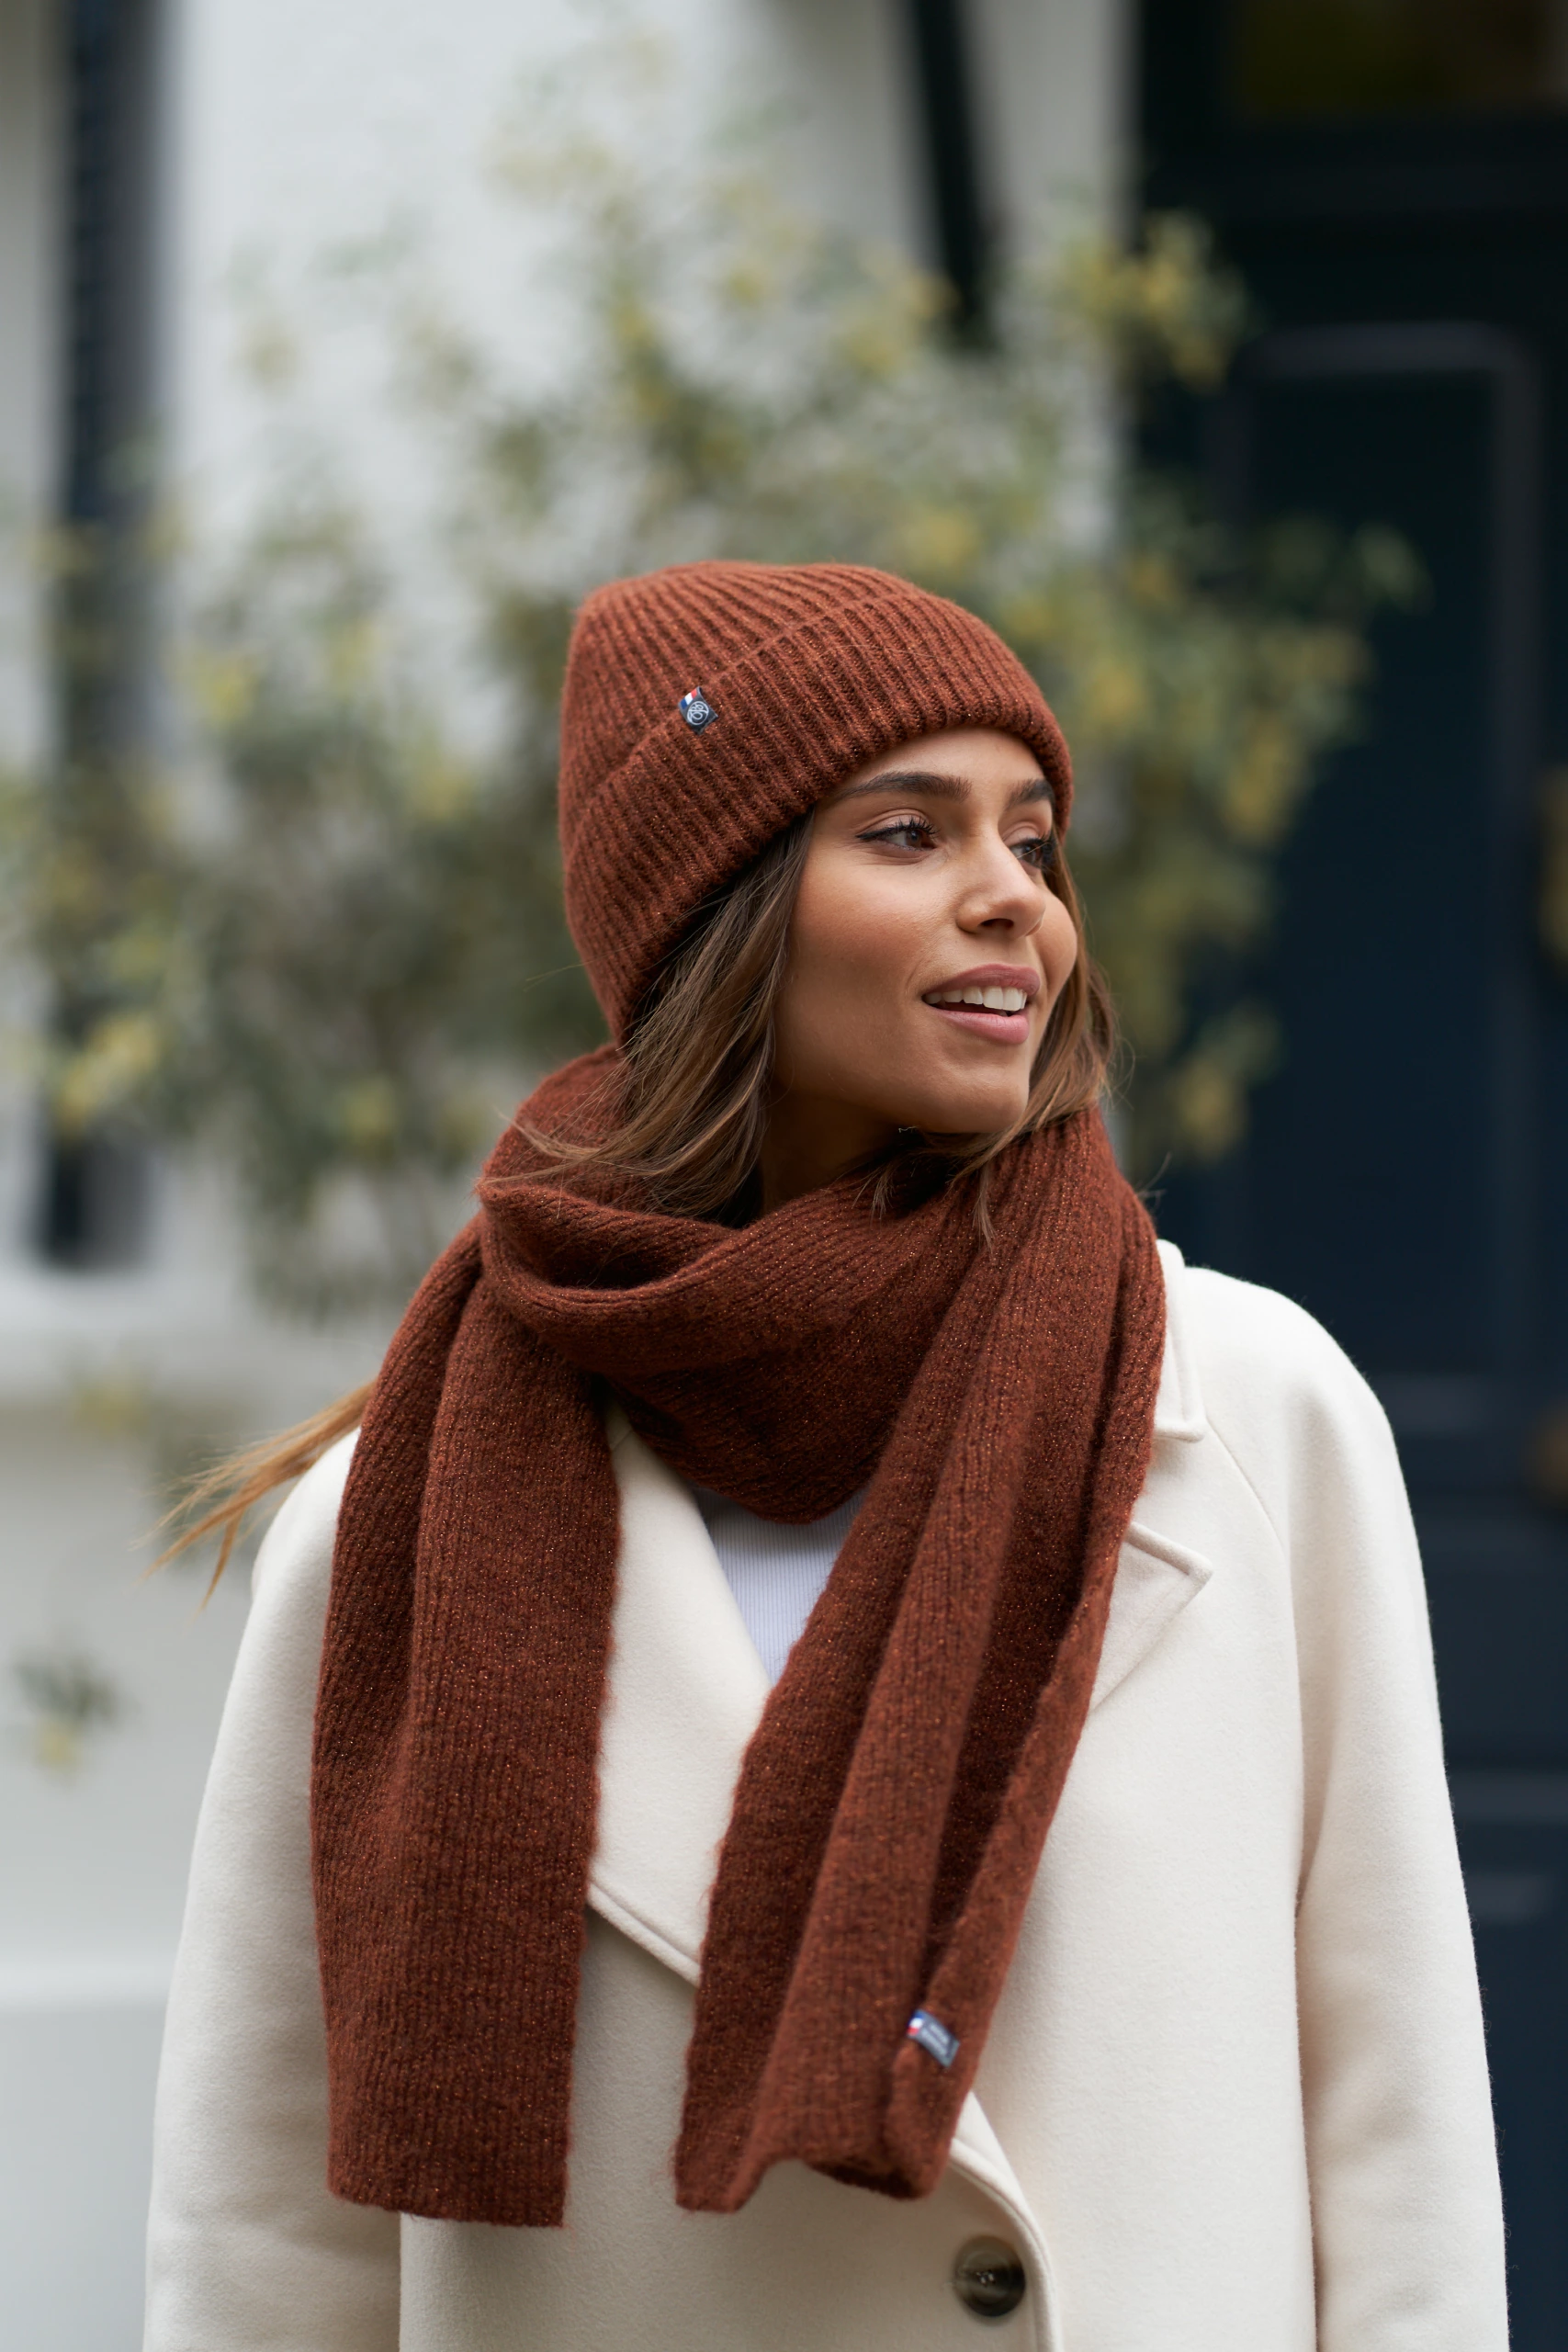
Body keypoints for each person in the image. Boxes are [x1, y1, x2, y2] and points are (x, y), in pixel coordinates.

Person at [143, 560, 1506, 2352]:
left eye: (1030, 838)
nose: (1009, 899)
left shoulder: (1249, 1415)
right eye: (908, 832)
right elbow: (269, 2246)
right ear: (719, 913)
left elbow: (1394, 2139)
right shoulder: (398, 1509)